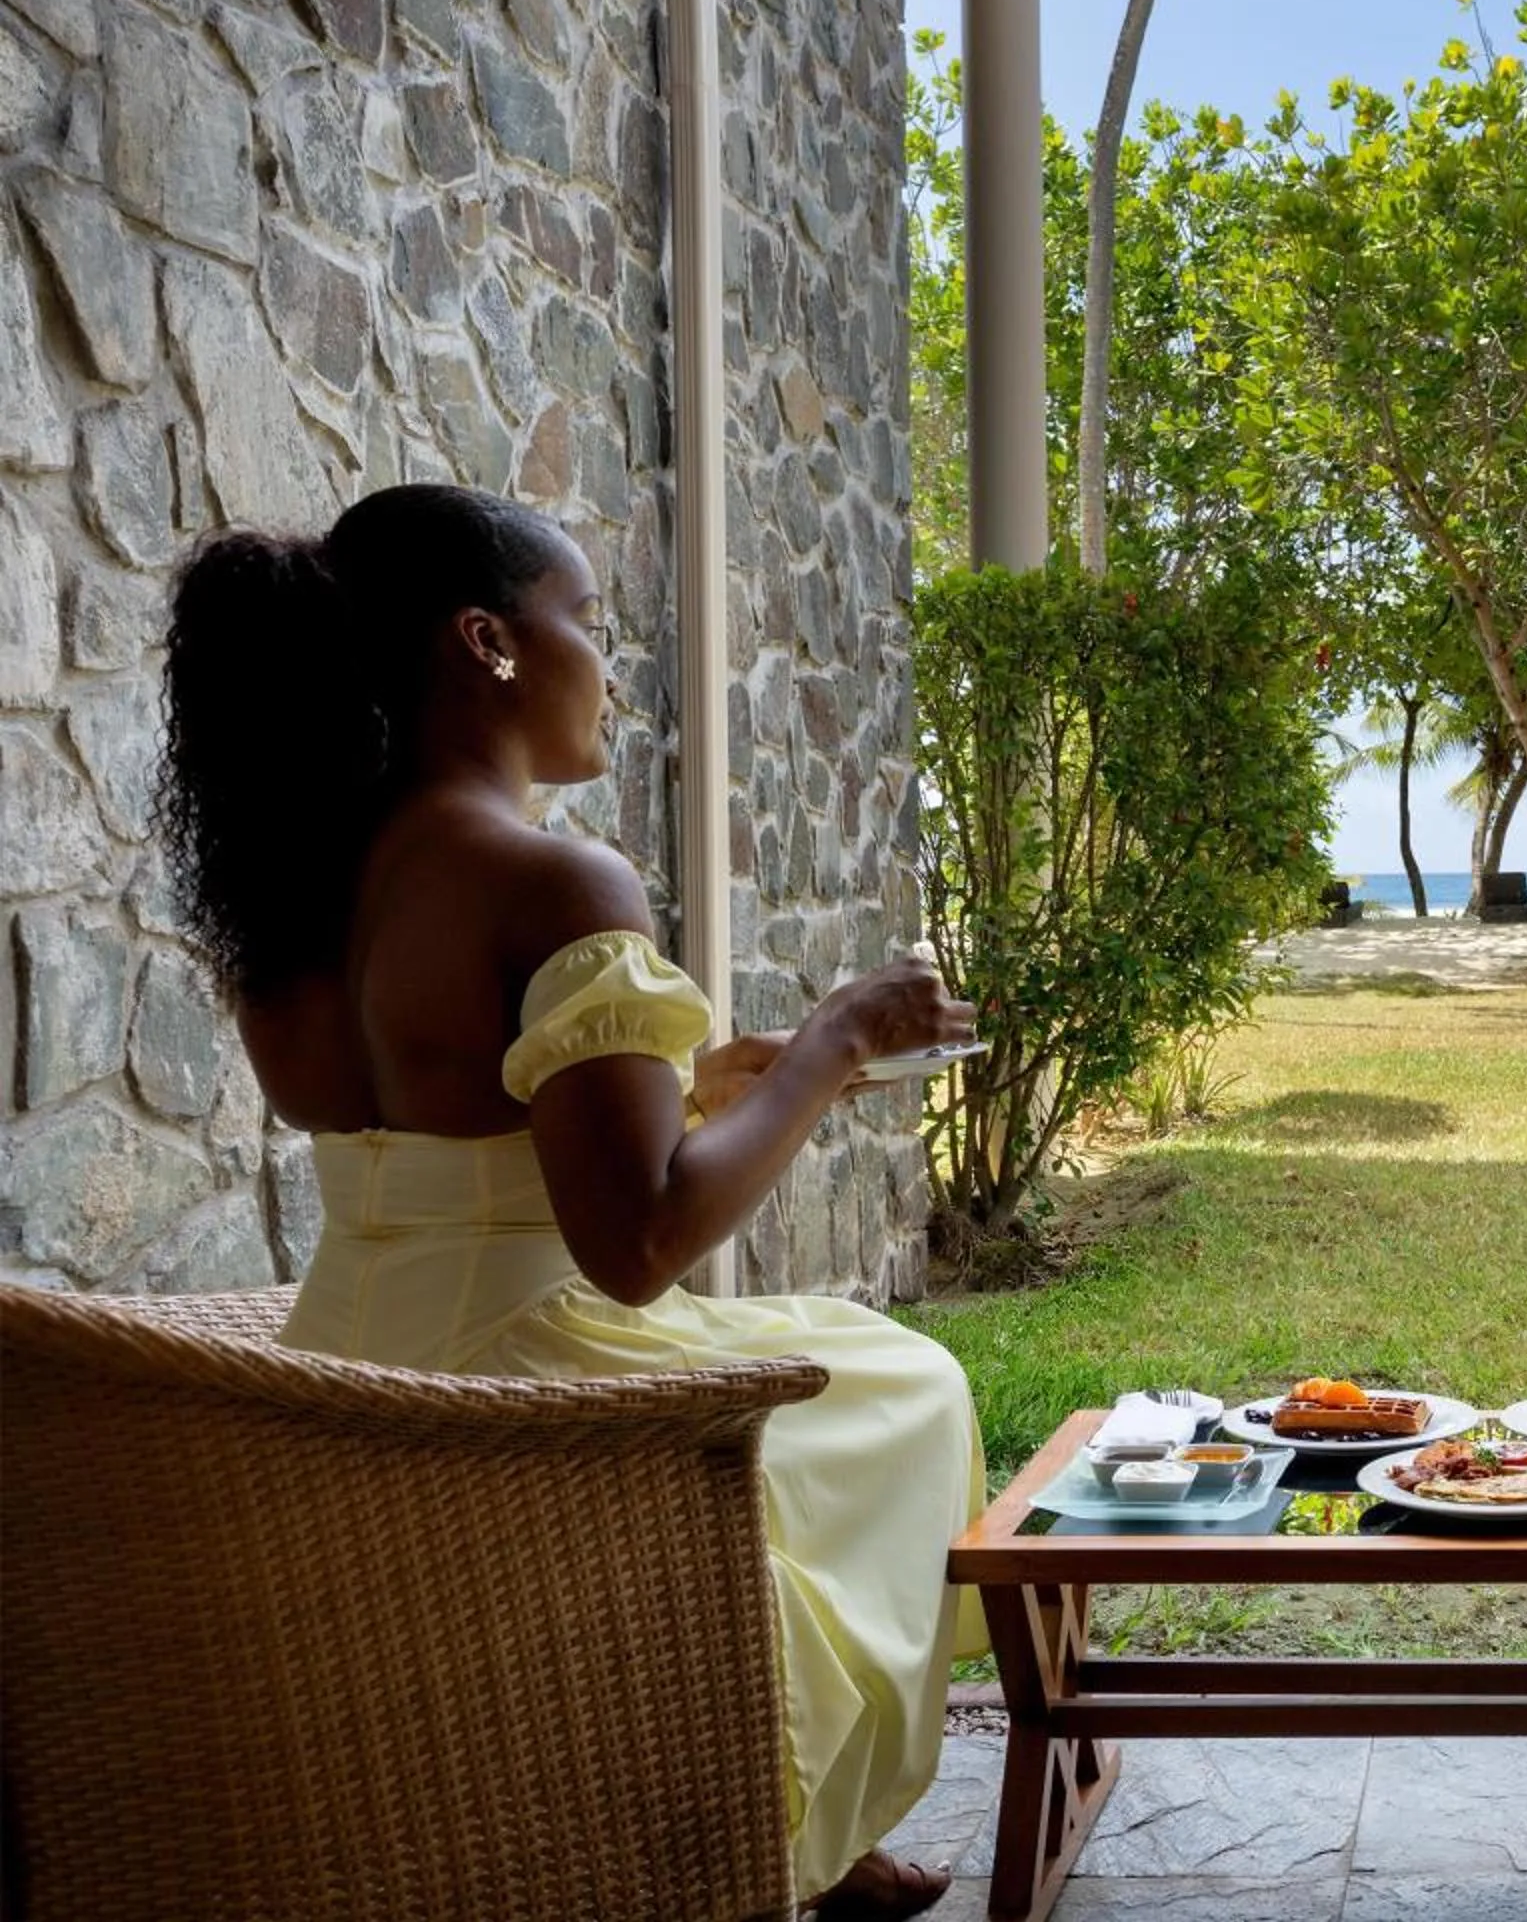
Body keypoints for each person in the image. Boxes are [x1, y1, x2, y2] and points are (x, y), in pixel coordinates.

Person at [156, 482, 980, 1920]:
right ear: (489, 643)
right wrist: (846, 1033)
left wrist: (707, 1083)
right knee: (904, 1383)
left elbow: (458, 1124)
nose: (610, 668)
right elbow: (640, 1243)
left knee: (833, 1391)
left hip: (338, 1376)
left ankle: (812, 1839)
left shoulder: (296, 890)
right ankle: (774, 1827)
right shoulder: (552, 880)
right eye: (588, 624)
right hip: (526, 1397)